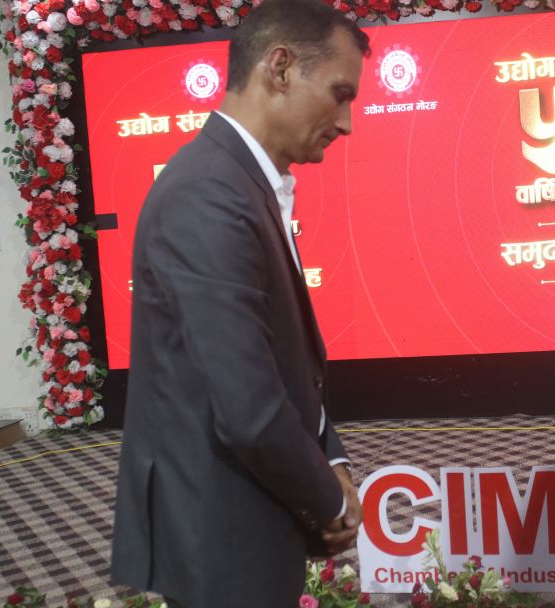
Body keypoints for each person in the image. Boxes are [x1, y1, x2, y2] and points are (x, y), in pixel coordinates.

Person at [109, 2, 371, 606]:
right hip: (222, 532)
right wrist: (329, 500)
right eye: (339, 94)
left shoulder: (240, 182)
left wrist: (330, 456)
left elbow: (280, 362)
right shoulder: (209, 191)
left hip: (244, 516)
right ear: (279, 68)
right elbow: (248, 407)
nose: (347, 122)